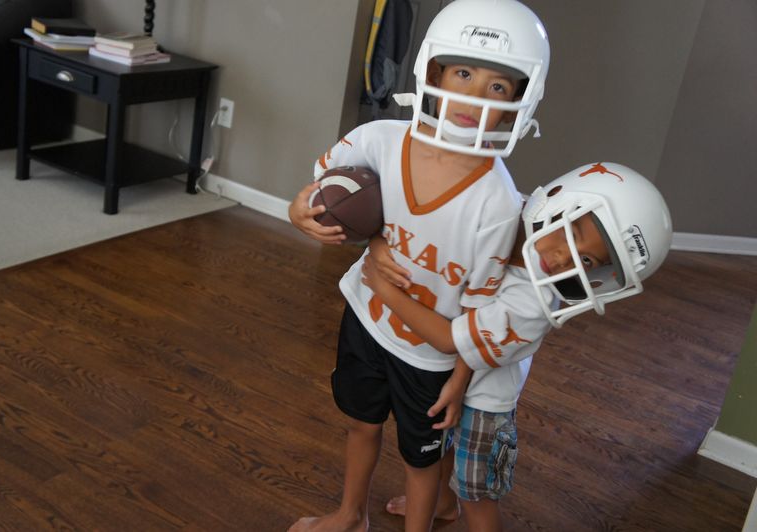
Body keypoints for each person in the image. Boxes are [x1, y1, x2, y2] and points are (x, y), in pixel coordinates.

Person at [288, 1, 550, 530]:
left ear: (518, 102)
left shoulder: (498, 203)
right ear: (434, 70)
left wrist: (460, 381)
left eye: (497, 86)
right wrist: (299, 211)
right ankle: (350, 514)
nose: (473, 95)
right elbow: (322, 191)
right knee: (361, 423)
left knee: (421, 461)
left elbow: (478, 311)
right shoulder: (380, 139)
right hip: (366, 318)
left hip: (431, 358)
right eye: (463, 73)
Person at [364, 163, 673, 531]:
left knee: (476, 492)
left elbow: (454, 338)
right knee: (442, 446)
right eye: (570, 233)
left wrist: (384, 289)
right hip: (449, 372)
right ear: (556, 199)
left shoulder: (533, 303)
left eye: (587, 260)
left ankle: (457, 503)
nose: (563, 260)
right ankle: (443, 504)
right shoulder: (503, 213)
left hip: (486, 400)